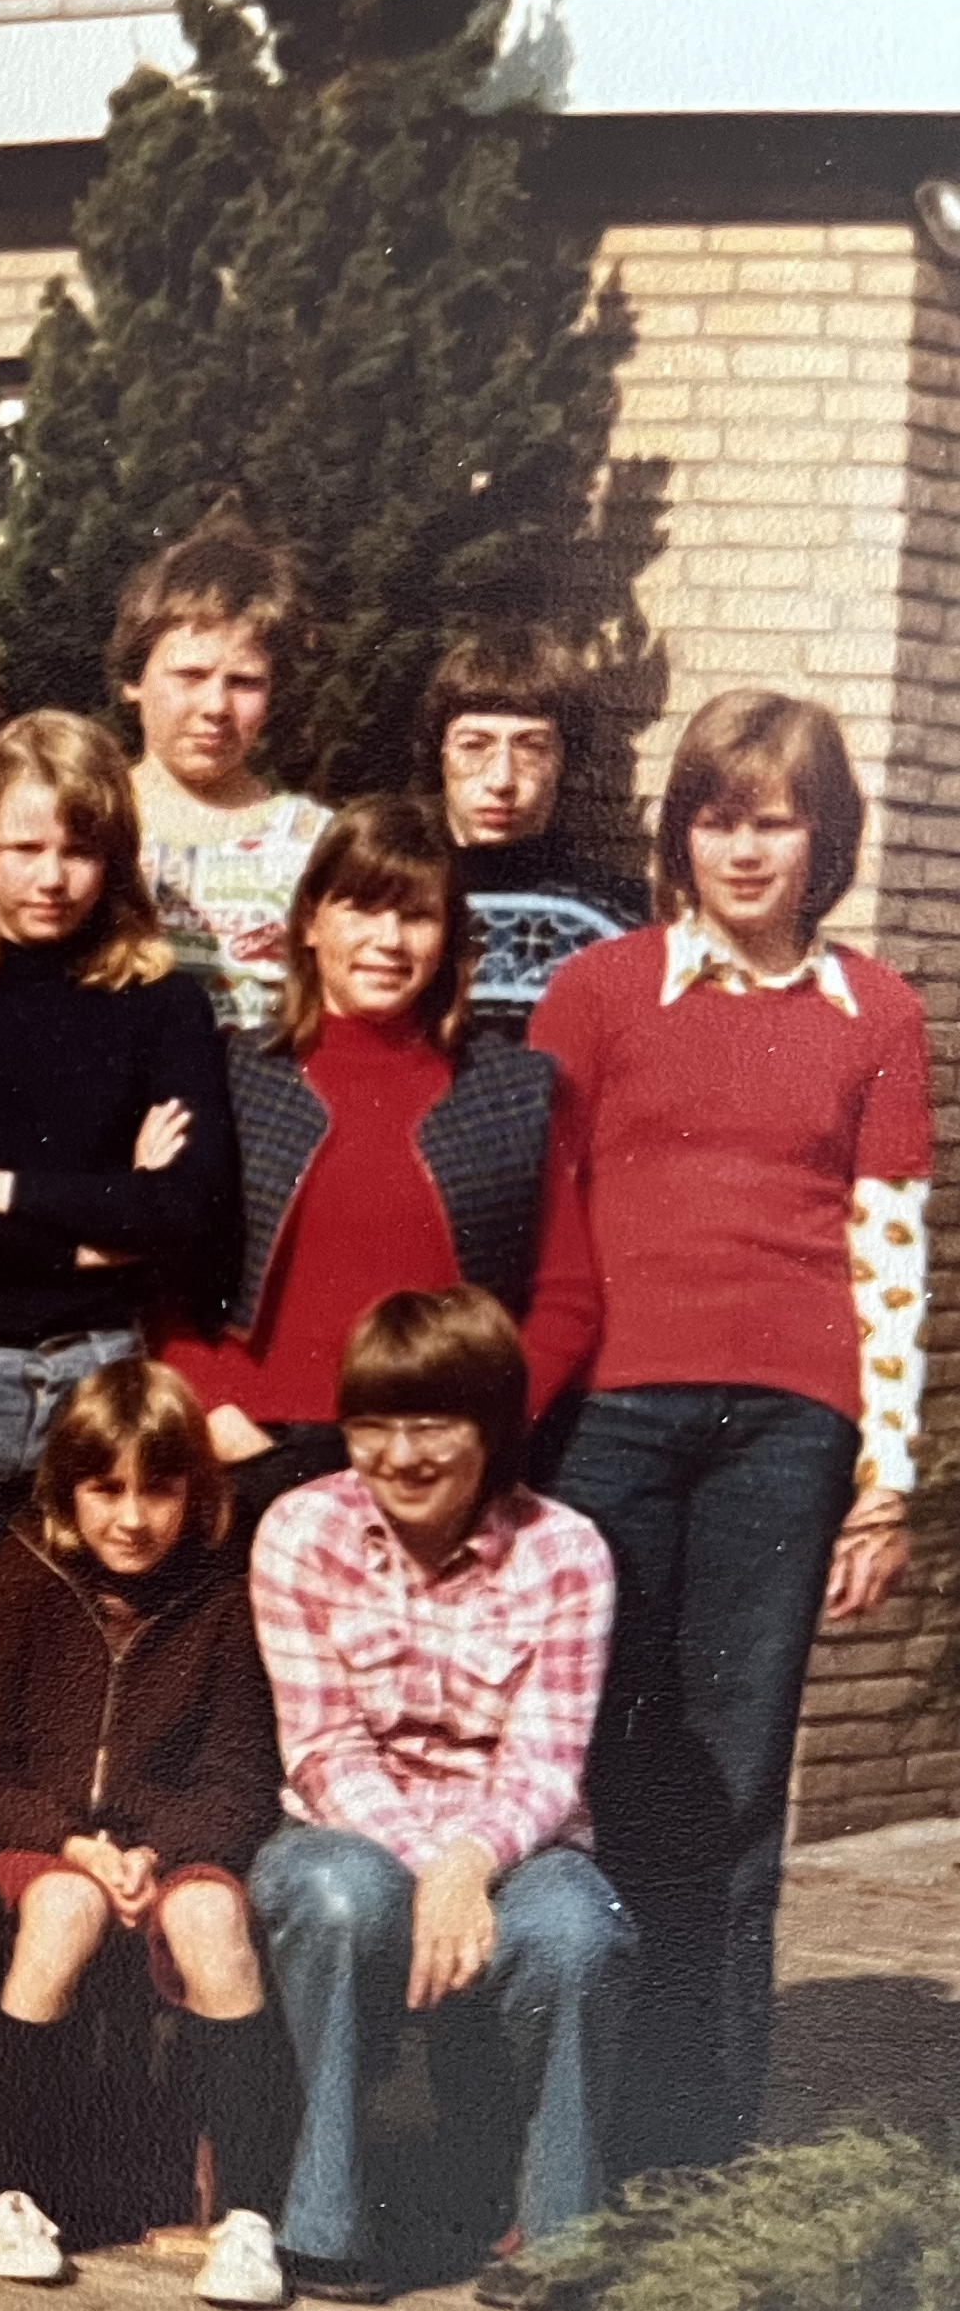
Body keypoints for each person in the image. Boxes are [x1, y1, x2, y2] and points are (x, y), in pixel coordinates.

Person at [532, 689, 932, 2174]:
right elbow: (540, 1218)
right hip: (613, 1419)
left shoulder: (876, 1014)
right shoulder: (601, 994)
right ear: (678, 831)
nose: (745, 848)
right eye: (718, 815)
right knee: (602, 1750)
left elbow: (890, 1253)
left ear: (824, 837)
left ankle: (693, 2139)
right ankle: (569, 2125)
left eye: (775, 818)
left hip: (789, 1427)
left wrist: (885, 1484)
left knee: (736, 1773)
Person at [249, 1288, 634, 2308]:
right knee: (339, 1903)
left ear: (493, 1428)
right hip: (346, 1835)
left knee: (577, 1934)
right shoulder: (300, 1531)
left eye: (433, 1425)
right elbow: (324, 1746)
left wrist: (468, 1861)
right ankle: (325, 2223)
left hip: (519, 1840)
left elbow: (548, 1766)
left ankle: (559, 2236)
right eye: (373, 1423)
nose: (400, 1455)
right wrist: (433, 1873)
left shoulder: (565, 1553)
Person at [0, 1361, 293, 2307]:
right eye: (106, 1489)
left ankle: (249, 2217)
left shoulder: (220, 1597)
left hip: (165, 1844)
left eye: (159, 1489)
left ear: (195, 1495)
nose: (131, 1518)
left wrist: (153, 1851)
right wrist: (71, 1842)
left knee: (214, 1919)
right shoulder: (23, 1574)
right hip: (48, 1844)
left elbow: (240, 1778)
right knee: (63, 1906)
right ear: (66, 1492)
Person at [170, 795, 583, 1530]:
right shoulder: (234, 1074)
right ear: (309, 922)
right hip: (257, 1448)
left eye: (417, 916)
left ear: (449, 937)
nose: (388, 939)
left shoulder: (512, 1090)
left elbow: (569, 1296)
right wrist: (216, 1409)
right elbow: (169, 1281)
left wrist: (489, 1426)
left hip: (439, 1462)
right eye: (362, 907)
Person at [0, 711, 235, 1519]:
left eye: (79, 852)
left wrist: (4, 1187)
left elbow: (188, 1208)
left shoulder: (162, 1007)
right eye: (26, 850)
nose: (52, 878)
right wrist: (94, 1231)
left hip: (101, 1377)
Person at [112, 504, 331, 1035]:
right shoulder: (87, 820)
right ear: (133, 679)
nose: (216, 705)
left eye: (244, 682)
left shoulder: (313, 840)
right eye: (190, 674)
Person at [426, 624, 640, 1024]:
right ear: (440, 754)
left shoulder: (613, 916)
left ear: (564, 760)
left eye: (531, 747)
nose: (501, 780)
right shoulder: (390, 904)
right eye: (474, 746)